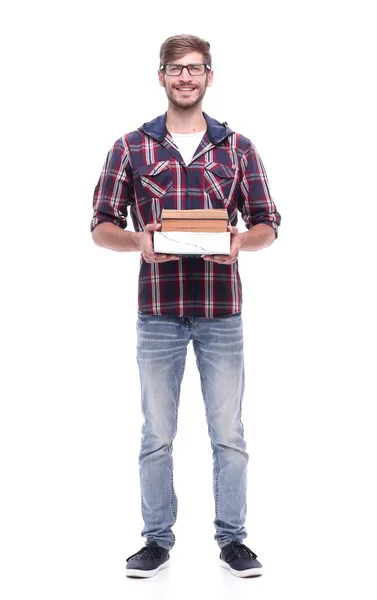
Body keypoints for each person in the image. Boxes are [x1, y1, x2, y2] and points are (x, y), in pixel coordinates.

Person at [91, 33, 281, 579]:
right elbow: (102, 226)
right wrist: (137, 242)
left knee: (229, 433)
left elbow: (268, 222)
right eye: (175, 68)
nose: (185, 77)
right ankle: (155, 540)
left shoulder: (238, 148)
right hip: (158, 311)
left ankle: (233, 540)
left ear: (209, 76)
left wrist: (243, 241)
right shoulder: (131, 147)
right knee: (157, 433)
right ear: (161, 76)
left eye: (195, 68)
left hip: (222, 311)